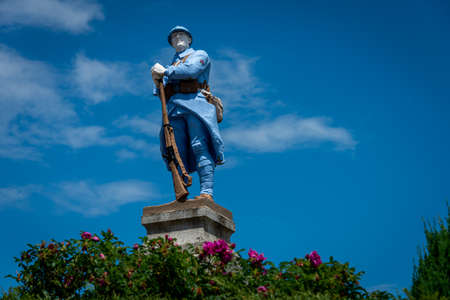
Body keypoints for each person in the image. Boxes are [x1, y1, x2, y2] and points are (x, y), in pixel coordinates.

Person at [151, 26, 224, 201]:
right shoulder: (171, 64)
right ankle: (181, 193)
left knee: (199, 145)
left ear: (189, 39)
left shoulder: (199, 55)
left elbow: (191, 70)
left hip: (196, 105)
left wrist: (165, 72)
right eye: (174, 37)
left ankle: (207, 192)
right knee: (177, 151)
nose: (177, 38)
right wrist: (157, 79)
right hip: (174, 107)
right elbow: (158, 90)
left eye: (181, 35)